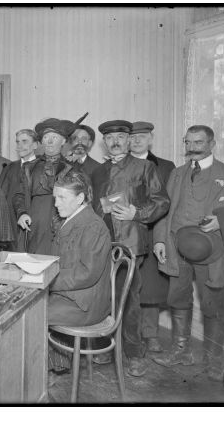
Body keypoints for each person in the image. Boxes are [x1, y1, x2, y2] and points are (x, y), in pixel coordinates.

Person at [153, 125, 224, 380]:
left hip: (212, 252)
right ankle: (181, 351)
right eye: (188, 142)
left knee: (211, 304)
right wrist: (160, 240)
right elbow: (164, 209)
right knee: (178, 298)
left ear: (212, 144)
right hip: (177, 248)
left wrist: (221, 221)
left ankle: (213, 361)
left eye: (198, 142)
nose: (192, 147)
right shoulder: (177, 174)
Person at [91, 120, 170, 377]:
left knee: (129, 300)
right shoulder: (98, 172)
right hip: (102, 244)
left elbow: (162, 202)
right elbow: (92, 207)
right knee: (104, 298)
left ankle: (134, 354)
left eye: (120, 137)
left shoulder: (145, 167)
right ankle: (105, 346)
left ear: (128, 140)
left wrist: (137, 213)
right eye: (110, 138)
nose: (115, 142)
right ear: (105, 142)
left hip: (131, 244)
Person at [47, 171, 113, 373]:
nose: (56, 204)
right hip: (71, 296)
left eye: (62, 198)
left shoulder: (93, 226)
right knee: (23, 306)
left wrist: (47, 279)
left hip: (85, 304)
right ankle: (56, 364)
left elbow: (87, 273)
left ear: (80, 198)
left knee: (27, 313)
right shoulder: (72, 219)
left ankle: (38, 374)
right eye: (55, 197)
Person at [128, 121, 176, 353]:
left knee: (151, 287)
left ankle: (151, 334)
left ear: (150, 139)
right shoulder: (119, 165)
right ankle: (129, 334)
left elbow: (169, 204)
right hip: (127, 232)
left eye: (142, 135)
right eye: (132, 136)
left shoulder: (166, 166)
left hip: (154, 230)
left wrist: (161, 237)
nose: (137, 140)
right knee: (128, 285)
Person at [13, 118, 76, 254]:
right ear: (41, 141)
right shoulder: (29, 167)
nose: (50, 141)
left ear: (63, 141)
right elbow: (19, 195)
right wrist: (21, 214)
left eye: (54, 137)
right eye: (46, 137)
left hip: (60, 222)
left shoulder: (72, 169)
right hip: (33, 224)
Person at [0, 129, 40, 251]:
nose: (20, 146)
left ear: (35, 145)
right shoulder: (9, 168)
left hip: (33, 227)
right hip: (10, 229)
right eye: (17, 142)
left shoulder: (42, 168)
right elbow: (1, 198)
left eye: (24, 141)